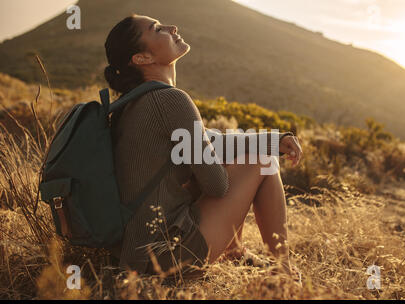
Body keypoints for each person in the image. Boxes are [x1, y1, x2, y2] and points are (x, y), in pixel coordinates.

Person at [103, 14, 303, 281]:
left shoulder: (133, 102)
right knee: (263, 161)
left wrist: (274, 140)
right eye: (157, 29)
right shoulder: (171, 100)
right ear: (142, 58)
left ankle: (234, 250)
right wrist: (218, 160)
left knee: (247, 154)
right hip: (167, 257)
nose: (171, 27)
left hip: (136, 254)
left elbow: (211, 140)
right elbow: (217, 186)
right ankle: (284, 271)